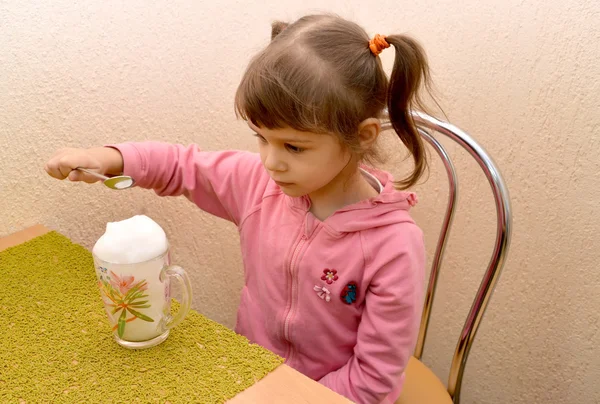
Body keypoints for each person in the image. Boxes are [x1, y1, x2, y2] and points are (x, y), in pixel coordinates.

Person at [45, 14, 434, 404]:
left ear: (362, 137)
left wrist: (280, 398)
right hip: (247, 373)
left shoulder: (394, 247)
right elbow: (182, 166)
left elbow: (373, 381)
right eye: (262, 138)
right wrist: (108, 158)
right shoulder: (259, 185)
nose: (271, 161)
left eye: (293, 147)